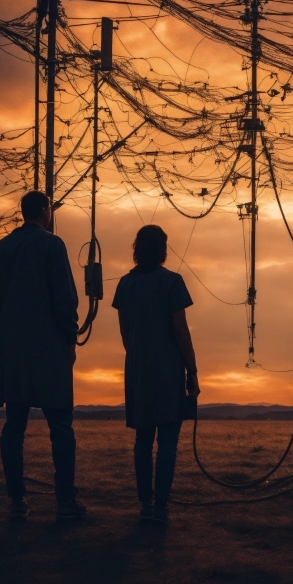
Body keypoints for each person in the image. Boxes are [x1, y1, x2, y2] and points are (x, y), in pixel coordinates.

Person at [0, 190, 85, 520]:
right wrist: (69, 338)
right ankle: (65, 501)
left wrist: (5, 337)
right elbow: (65, 298)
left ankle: (17, 502)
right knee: (61, 426)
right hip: (49, 349)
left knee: (14, 426)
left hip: (12, 351)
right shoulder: (52, 245)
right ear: (44, 211)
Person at [112, 224, 200, 523]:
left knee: (142, 439)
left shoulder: (124, 284)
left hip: (137, 367)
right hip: (168, 368)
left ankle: (145, 503)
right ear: (162, 248)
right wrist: (192, 369)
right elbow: (180, 330)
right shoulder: (172, 282)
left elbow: (125, 333)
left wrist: (139, 354)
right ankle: (161, 504)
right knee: (168, 439)